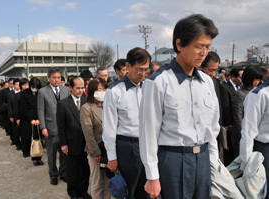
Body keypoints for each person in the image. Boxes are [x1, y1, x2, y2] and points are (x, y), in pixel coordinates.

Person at [139, 14, 220, 199]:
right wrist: (152, 176)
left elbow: (213, 128)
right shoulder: (158, 82)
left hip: (203, 159)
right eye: (199, 46)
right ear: (179, 44)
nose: (204, 53)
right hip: (174, 161)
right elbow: (148, 132)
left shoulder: (207, 82)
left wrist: (214, 163)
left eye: (207, 47)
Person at [103, 47, 151, 199]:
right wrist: (112, 156)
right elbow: (109, 127)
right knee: (129, 191)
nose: (143, 74)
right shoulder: (114, 92)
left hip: (149, 146)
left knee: (148, 190)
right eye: (139, 69)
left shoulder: (151, 88)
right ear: (128, 66)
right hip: (128, 148)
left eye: (146, 69)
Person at [57, 76, 91, 199]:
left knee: (85, 170)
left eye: (82, 88)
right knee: (72, 170)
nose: (80, 91)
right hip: (71, 143)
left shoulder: (87, 102)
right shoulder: (63, 104)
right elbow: (61, 127)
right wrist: (63, 144)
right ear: (70, 88)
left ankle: (83, 191)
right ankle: (73, 192)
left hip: (86, 143)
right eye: (78, 88)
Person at [37, 67, 70, 185]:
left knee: (64, 153)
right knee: (51, 154)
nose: (56, 80)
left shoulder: (66, 90)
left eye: (58, 77)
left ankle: (64, 173)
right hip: (51, 128)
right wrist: (43, 127)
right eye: (54, 77)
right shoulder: (42, 92)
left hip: (65, 128)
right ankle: (53, 175)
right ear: (49, 78)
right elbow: (41, 111)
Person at [80, 78, 112, 199]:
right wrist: (95, 152)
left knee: (108, 181)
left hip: (109, 150)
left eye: (104, 89)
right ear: (92, 91)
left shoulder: (108, 106)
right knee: (97, 182)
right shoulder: (86, 108)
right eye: (99, 89)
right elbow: (88, 133)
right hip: (96, 151)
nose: (102, 92)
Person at [239, 77, 269, 199]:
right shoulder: (259, 94)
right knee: (261, 192)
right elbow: (248, 130)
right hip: (263, 151)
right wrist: (245, 163)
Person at [231, 66, 262, 157]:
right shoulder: (240, 94)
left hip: (255, 134)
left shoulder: (258, 92)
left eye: (258, 80)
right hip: (242, 135)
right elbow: (238, 117)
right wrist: (245, 135)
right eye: (255, 79)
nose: (257, 82)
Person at [220, 67, 243, 165]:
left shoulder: (241, 87)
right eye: (240, 77)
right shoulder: (225, 87)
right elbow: (225, 106)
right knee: (229, 149)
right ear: (233, 77)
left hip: (238, 123)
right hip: (230, 125)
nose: (241, 79)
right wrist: (228, 123)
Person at [20, 77, 44, 166]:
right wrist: (31, 119)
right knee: (30, 139)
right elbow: (24, 108)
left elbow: (42, 107)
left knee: (38, 139)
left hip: (38, 119)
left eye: (36, 87)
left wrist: (39, 118)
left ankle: (38, 157)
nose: (35, 88)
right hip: (28, 120)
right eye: (33, 86)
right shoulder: (24, 93)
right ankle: (33, 157)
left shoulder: (40, 93)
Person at [7, 78, 21, 150]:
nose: (18, 86)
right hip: (14, 116)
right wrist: (11, 116)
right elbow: (9, 106)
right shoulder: (10, 94)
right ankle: (17, 144)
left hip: (22, 115)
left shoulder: (23, 93)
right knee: (15, 131)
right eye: (16, 84)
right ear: (14, 85)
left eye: (19, 84)